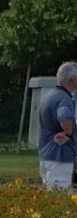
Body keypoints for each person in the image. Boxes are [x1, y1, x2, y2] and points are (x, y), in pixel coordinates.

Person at [37, 61, 77, 190]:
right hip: (59, 158)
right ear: (74, 79)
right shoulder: (64, 99)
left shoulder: (50, 95)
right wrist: (68, 133)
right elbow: (64, 115)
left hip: (47, 155)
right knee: (59, 199)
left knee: (51, 198)